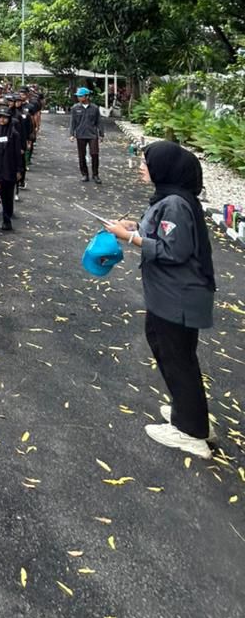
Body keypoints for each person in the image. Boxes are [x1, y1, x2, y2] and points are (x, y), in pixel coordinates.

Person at [105, 141, 216, 459]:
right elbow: (164, 234)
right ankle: (188, 414)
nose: (142, 165)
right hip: (169, 295)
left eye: (146, 161)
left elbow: (173, 251)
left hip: (178, 296)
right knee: (171, 352)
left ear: (164, 168)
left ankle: (191, 432)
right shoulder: (169, 198)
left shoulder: (177, 205)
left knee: (177, 358)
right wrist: (136, 226)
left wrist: (130, 237)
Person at [0, 106, 23, 233]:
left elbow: (17, 153)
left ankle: (7, 219)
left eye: (4, 117)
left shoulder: (14, 133)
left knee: (8, 195)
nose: (1, 120)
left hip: (8, 168)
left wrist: (19, 169)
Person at [69, 86, 103, 184]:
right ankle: (84, 174)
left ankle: (95, 174)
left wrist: (101, 134)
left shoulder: (95, 108)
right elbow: (73, 122)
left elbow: (99, 122)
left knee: (94, 154)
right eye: (78, 96)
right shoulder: (75, 108)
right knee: (81, 155)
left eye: (81, 96)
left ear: (87, 96)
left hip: (92, 134)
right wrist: (72, 134)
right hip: (80, 134)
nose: (79, 98)